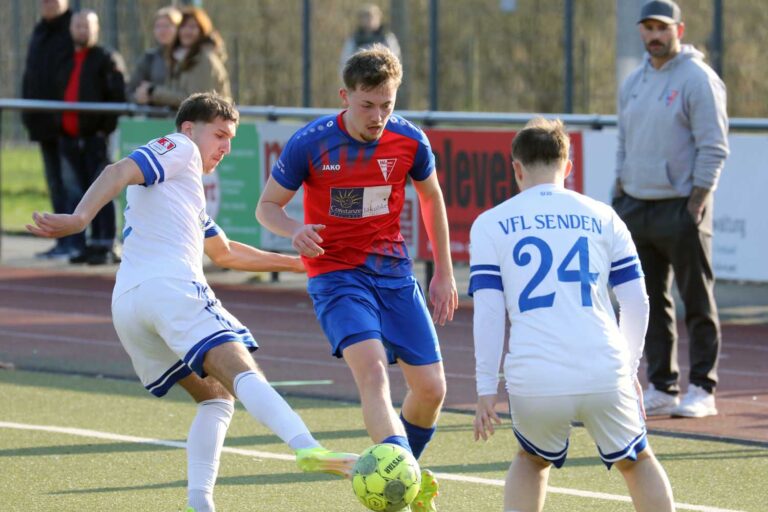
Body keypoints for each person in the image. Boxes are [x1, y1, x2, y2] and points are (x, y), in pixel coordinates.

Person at [27, 93, 357, 512]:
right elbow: (118, 170)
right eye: (219, 135)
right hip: (169, 290)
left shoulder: (183, 192)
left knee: (217, 397)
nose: (225, 147)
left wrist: (301, 265)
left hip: (129, 308)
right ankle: (308, 447)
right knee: (240, 367)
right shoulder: (179, 149)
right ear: (188, 129)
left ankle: (199, 504)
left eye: (231, 139)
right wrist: (79, 219)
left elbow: (225, 253)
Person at [256, 45, 457, 512]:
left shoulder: (409, 140)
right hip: (336, 275)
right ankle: (402, 482)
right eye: (368, 105)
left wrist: (444, 272)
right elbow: (266, 207)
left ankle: (401, 472)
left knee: (432, 390)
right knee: (371, 374)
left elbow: (432, 200)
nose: (378, 116)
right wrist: (294, 229)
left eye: (387, 104)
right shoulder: (311, 142)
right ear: (345, 96)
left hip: (393, 273)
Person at [470, 117, 675, 512]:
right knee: (637, 460)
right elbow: (637, 302)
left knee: (531, 461)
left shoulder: (489, 224)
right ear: (568, 166)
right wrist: (629, 370)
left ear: (517, 168)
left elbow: (490, 313)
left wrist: (484, 389)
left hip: (536, 375)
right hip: (603, 367)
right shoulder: (604, 216)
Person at [613, 0, 729, 418]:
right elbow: (624, 141)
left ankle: (703, 387)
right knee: (646, 300)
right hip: (636, 206)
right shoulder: (635, 82)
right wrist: (620, 190)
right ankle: (662, 384)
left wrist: (697, 200)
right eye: (647, 28)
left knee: (696, 299)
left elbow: (714, 146)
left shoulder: (698, 79)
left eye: (662, 28)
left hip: (681, 207)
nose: (654, 35)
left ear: (678, 30)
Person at [57, 10, 127, 265]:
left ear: (95, 29)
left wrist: (103, 129)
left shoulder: (106, 58)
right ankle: (83, 243)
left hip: (97, 138)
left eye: (86, 26)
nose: (81, 31)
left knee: (102, 190)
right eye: (77, 26)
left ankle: (105, 242)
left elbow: (118, 95)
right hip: (69, 137)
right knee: (76, 191)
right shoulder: (64, 58)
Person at [21, 0, 78, 259]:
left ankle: (76, 242)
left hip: (67, 124)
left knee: (72, 185)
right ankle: (61, 242)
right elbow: (30, 73)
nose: (48, 4)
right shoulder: (39, 31)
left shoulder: (73, 28)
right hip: (42, 123)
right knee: (55, 185)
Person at [135, 6, 231, 108]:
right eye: (183, 27)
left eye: (192, 27)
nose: (186, 31)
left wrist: (153, 92)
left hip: (206, 121)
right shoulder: (182, 57)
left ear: (202, 30)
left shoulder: (204, 59)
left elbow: (197, 101)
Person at [126, 6, 182, 104]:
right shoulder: (149, 58)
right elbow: (130, 91)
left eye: (167, 26)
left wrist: (153, 92)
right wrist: (138, 97)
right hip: (155, 117)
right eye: (158, 26)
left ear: (178, 28)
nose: (162, 31)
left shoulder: (188, 57)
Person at [339, 4, 401, 75]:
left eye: (373, 17)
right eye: (366, 17)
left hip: (382, 77)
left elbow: (395, 60)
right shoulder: (354, 40)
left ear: (379, 18)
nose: (369, 20)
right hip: (361, 79)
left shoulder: (387, 38)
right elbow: (345, 63)